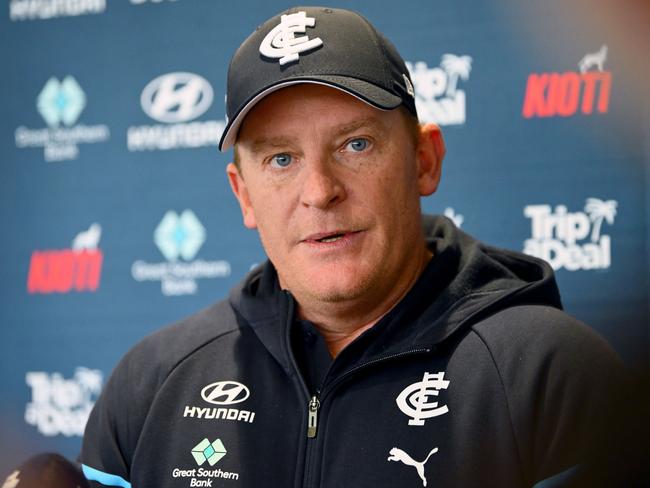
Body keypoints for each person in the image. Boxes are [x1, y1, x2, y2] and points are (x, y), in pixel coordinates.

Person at [80, 6, 628, 488]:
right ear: (243, 195)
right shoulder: (151, 385)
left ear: (423, 160)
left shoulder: (551, 374)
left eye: (355, 144)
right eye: (281, 159)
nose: (320, 191)